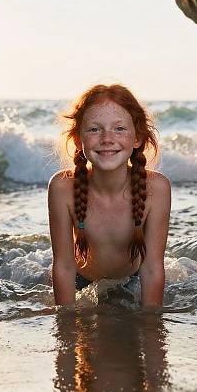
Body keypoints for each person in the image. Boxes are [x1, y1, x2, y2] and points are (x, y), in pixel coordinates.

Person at [48, 84, 171, 307]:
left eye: (119, 129)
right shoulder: (62, 187)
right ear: (78, 139)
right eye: (94, 129)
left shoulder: (157, 188)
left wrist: (152, 327)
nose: (107, 138)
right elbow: (64, 266)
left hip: (131, 281)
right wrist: (65, 326)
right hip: (80, 281)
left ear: (137, 138)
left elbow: (152, 268)